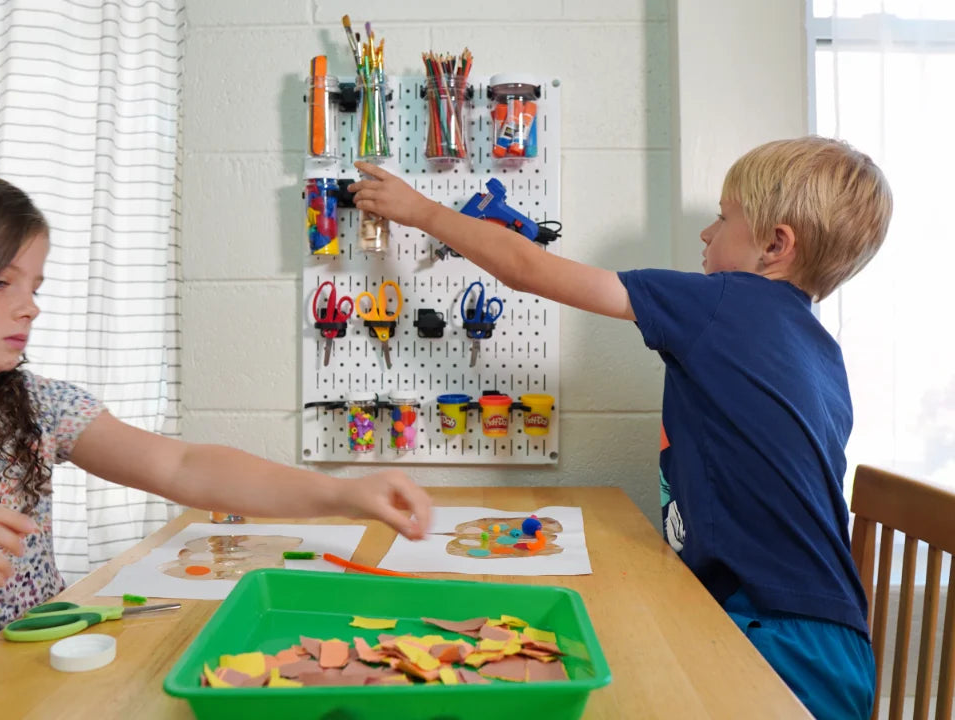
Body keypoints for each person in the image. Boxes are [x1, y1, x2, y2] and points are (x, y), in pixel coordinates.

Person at [351, 136, 892, 719]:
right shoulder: (821, 353)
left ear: (774, 245)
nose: (707, 234)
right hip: (825, 638)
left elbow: (529, 268)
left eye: (722, 218)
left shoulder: (725, 302)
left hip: (782, 639)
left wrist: (421, 211)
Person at [0, 161, 432, 706]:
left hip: (31, 689)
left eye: (34, 286)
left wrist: (342, 492)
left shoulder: (36, 405)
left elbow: (183, 467)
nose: (31, 308)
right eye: (1, 282)